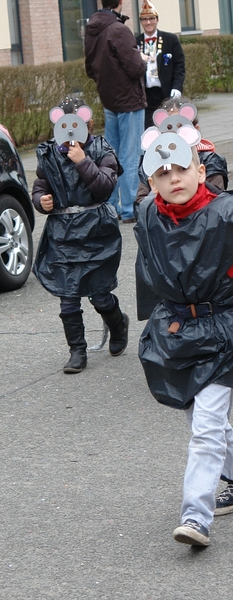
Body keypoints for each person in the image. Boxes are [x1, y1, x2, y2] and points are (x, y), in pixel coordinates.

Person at [135, 122, 233, 547]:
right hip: (178, 329)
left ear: (199, 169)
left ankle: (196, 516)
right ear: (152, 180)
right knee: (202, 421)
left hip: (224, 328)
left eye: (181, 168)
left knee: (208, 425)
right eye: (162, 172)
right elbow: (148, 275)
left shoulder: (226, 214)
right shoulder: (147, 216)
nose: (173, 178)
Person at [32, 96, 128, 374]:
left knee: (99, 294)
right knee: (68, 296)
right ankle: (77, 349)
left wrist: (83, 161)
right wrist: (42, 200)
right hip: (62, 234)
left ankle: (117, 323)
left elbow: (105, 187)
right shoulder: (49, 154)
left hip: (96, 231)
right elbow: (40, 185)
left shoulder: (101, 150)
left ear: (88, 123)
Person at [85, 0, 147, 223]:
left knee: (109, 157)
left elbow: (89, 68)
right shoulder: (119, 29)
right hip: (129, 101)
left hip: (108, 100)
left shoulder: (92, 29)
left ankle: (111, 206)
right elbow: (135, 67)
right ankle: (129, 210)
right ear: (120, 2)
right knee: (130, 157)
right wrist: (143, 60)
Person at [135, 96, 228, 208]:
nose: (175, 134)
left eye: (183, 169)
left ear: (195, 130)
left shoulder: (209, 160)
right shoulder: (154, 161)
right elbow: (141, 202)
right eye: (168, 128)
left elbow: (217, 199)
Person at [136, 0, 185, 129]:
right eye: (144, 19)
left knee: (169, 129)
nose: (148, 22)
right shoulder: (135, 42)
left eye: (151, 18)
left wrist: (177, 88)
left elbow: (180, 66)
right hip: (146, 96)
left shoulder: (170, 39)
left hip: (166, 93)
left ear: (157, 19)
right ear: (140, 21)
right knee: (149, 131)